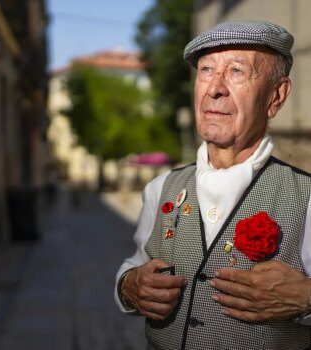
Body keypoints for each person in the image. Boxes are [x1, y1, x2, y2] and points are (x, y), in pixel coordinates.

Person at [115, 21, 311, 350]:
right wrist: (128, 287)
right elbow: (134, 264)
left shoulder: (306, 197)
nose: (214, 88)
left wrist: (306, 297)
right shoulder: (160, 188)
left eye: (236, 70)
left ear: (276, 96)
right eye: (206, 70)